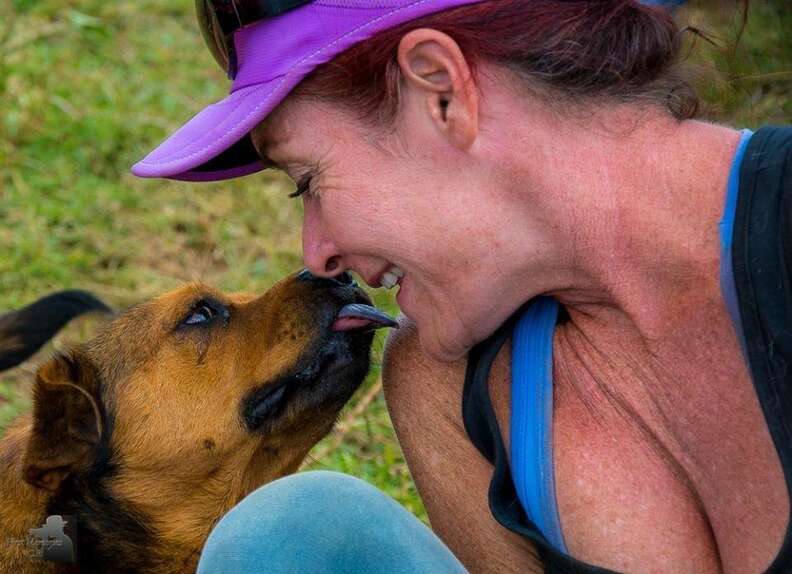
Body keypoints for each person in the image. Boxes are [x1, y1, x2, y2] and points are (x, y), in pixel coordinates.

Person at [132, 1, 791, 572]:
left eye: (308, 181)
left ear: (441, 90)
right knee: (289, 535)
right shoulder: (450, 379)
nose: (317, 254)